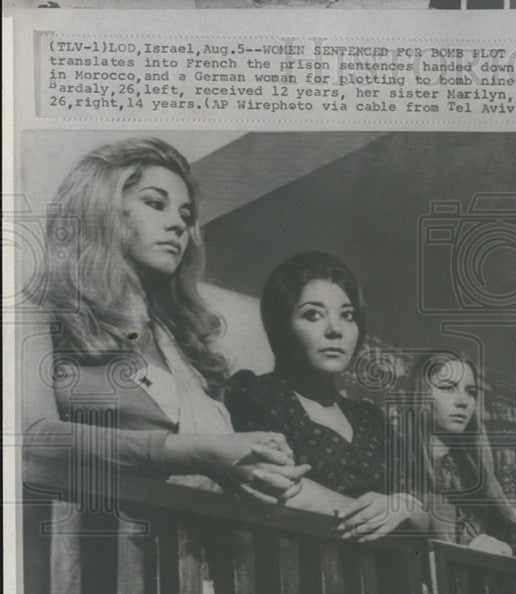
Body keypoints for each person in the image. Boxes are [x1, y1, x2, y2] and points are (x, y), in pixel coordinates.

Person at [22, 137, 309, 502]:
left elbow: (260, 478)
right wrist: (194, 452)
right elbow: (30, 437)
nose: (178, 225)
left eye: (185, 215)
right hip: (92, 547)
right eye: (156, 204)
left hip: (188, 549)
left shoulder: (182, 344)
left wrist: (394, 509)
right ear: (101, 210)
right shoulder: (38, 312)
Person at [224, 251, 426, 540]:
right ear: (281, 325)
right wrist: (382, 510)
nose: (335, 330)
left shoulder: (369, 417)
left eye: (348, 315)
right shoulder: (255, 394)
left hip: (386, 576)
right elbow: (272, 488)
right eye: (313, 314)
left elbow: (420, 514)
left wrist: (405, 508)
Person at [400, 351, 516, 555]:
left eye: (471, 391)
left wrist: (505, 548)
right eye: (448, 388)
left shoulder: (478, 468)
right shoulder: (397, 460)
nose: (463, 401)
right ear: (421, 394)